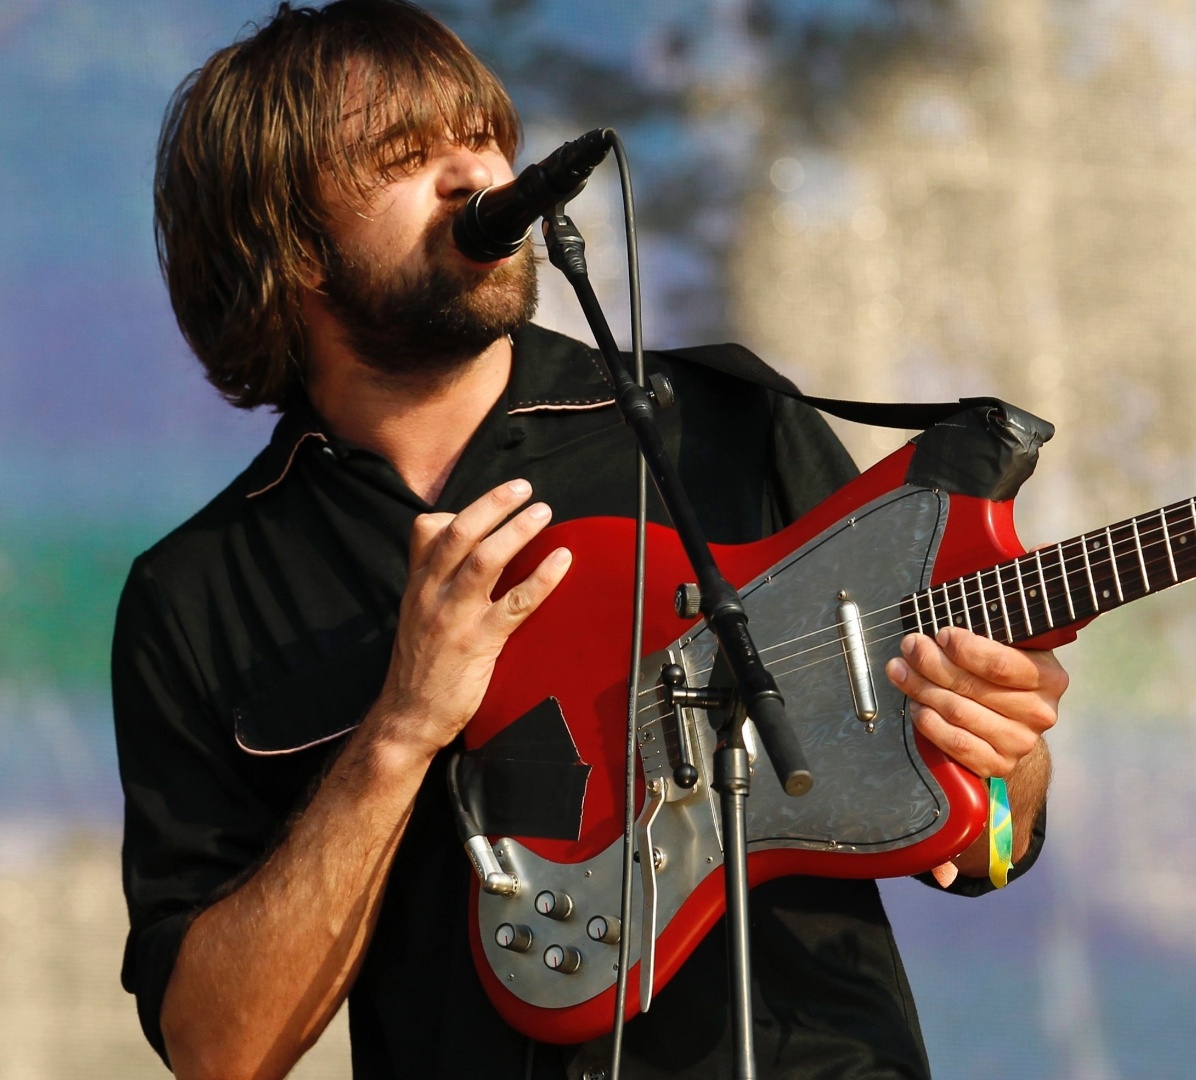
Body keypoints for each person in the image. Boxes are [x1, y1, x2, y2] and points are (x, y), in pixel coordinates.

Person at [113, 3, 1066, 1077]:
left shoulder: (723, 430)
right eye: (405, 156)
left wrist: (1008, 766)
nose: (476, 176)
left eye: (482, 138)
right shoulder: (198, 594)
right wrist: (400, 731)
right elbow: (215, 1048)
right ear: (286, 241)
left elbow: (985, 849)